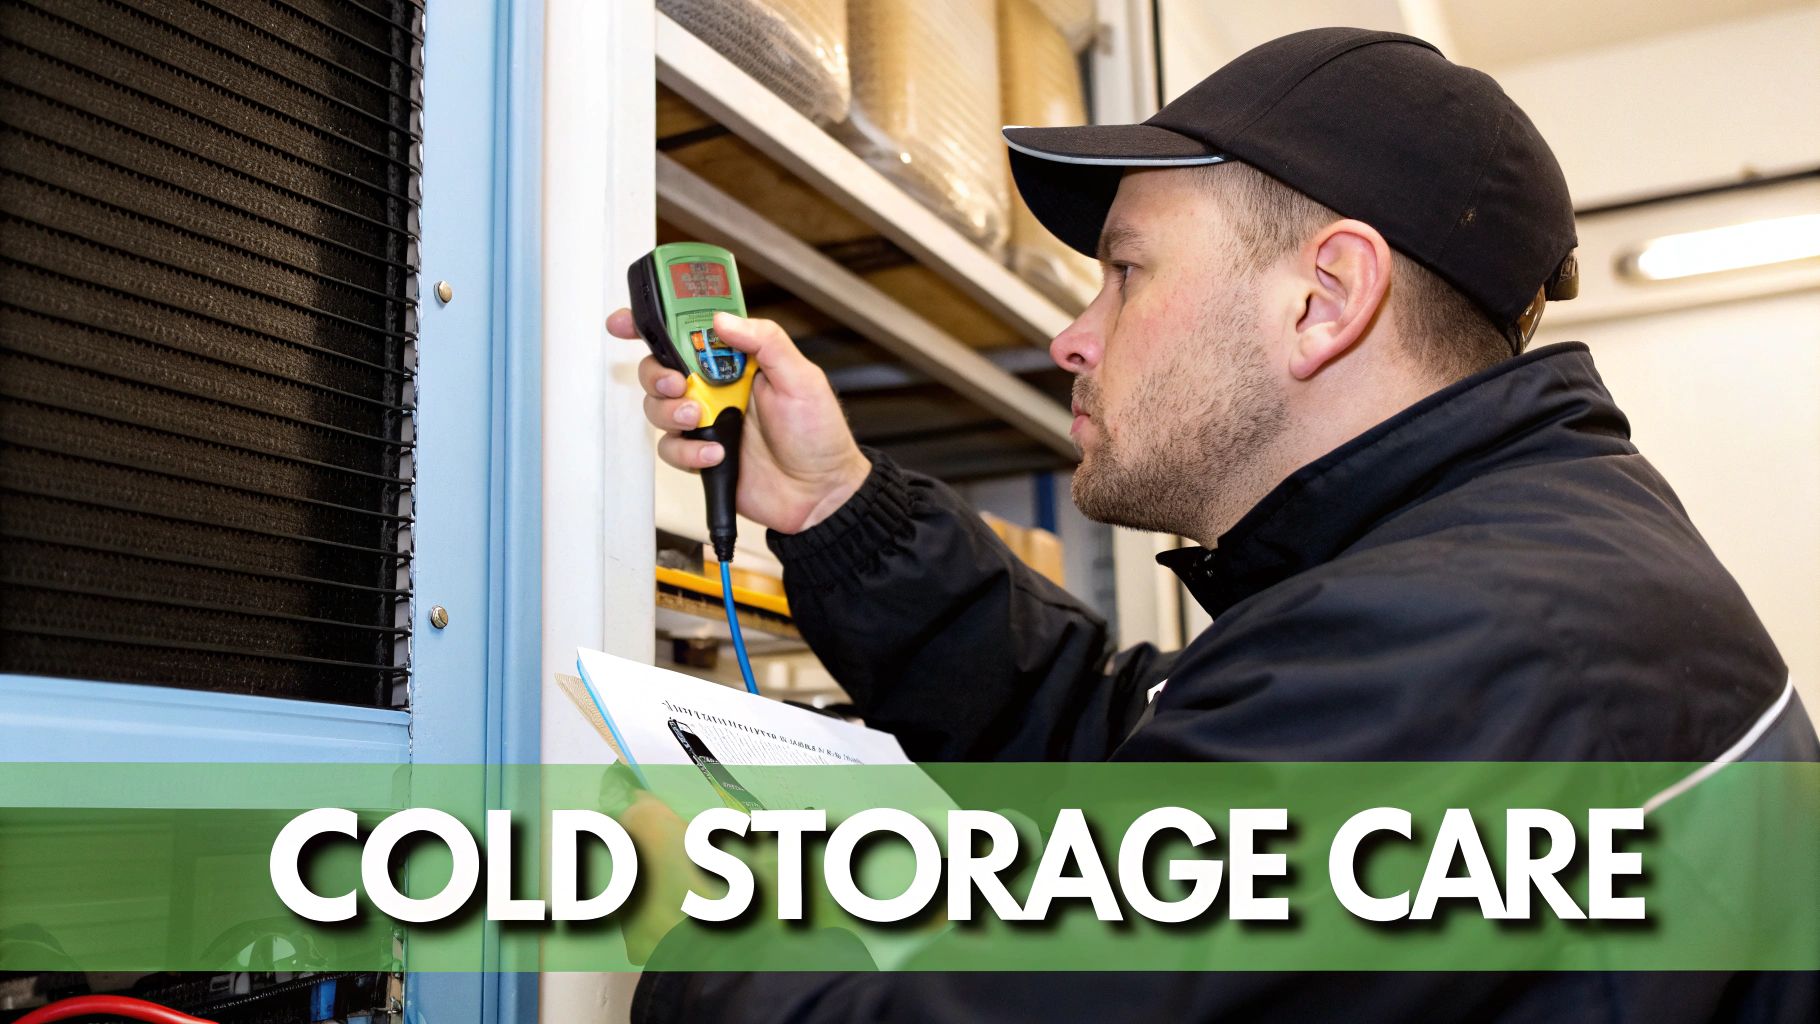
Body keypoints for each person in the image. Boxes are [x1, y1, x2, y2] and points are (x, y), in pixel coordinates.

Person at [607, 27, 1818, 1022]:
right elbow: (1137, 744)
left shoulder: (1466, 644)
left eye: (1125, 271)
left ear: (1323, 300)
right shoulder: (1498, 571)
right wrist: (838, 511)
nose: (1071, 336)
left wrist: (696, 923)